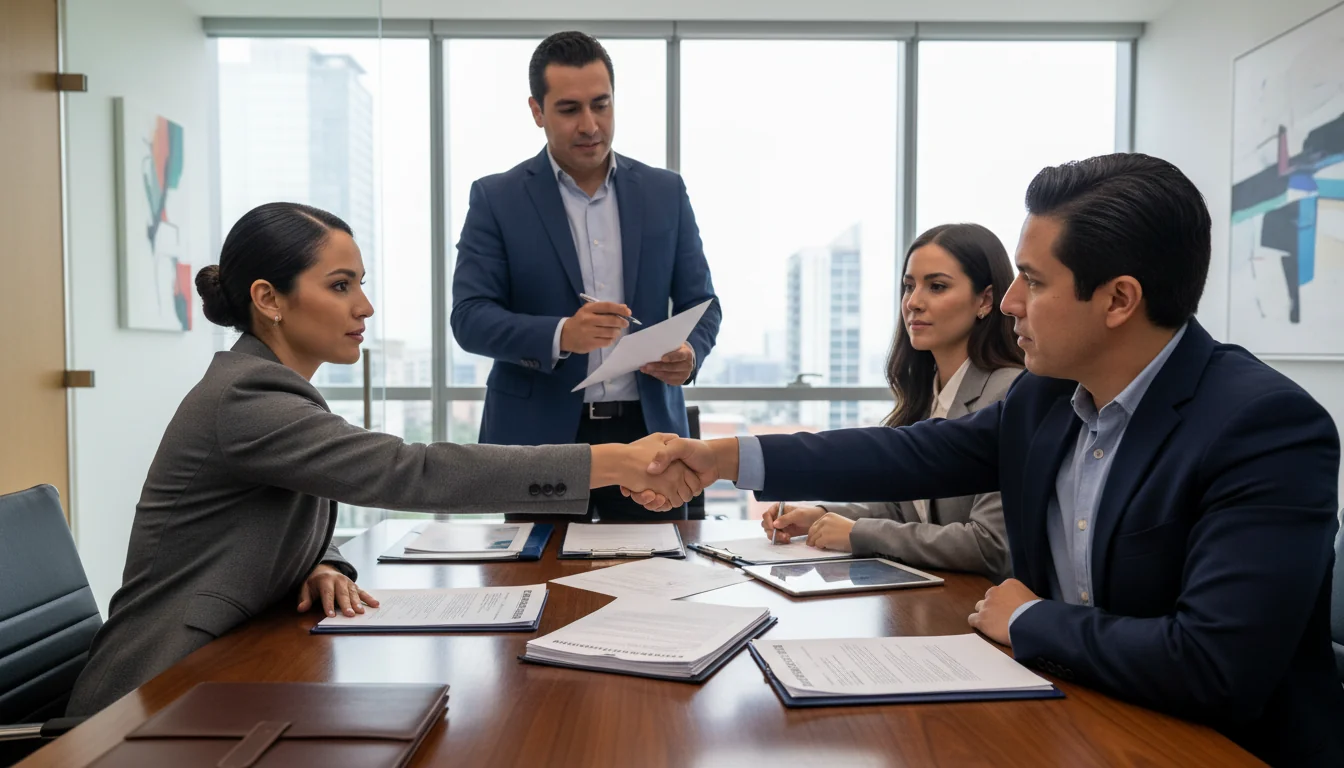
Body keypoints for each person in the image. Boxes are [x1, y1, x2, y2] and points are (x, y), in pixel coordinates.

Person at [637, 154, 1344, 766]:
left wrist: (1031, 620)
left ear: (1119, 300)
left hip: (1216, 748)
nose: (1007, 303)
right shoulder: (1046, 399)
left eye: (1032, 283)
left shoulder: (1263, 427)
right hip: (1076, 715)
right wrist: (724, 456)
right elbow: (907, 456)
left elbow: (1216, 667)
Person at [66, 203, 702, 717]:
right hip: (151, 696)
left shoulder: (269, 390)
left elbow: (263, 520)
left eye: (361, 285)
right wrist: (611, 462)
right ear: (269, 298)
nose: (364, 307)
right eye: (340, 286)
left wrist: (320, 561)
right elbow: (410, 471)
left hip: (221, 669)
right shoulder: (246, 399)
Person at [451, 31, 720, 522]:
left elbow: (702, 303)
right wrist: (560, 335)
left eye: (602, 105)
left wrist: (690, 354)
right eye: (570, 109)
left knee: (655, 584)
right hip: (539, 439)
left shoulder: (665, 192)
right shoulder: (496, 198)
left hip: (648, 435)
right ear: (537, 111)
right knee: (536, 588)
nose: (590, 125)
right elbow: (469, 318)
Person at [762, 223, 1022, 582]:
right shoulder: (927, 393)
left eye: (937, 286)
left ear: (985, 300)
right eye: (909, 286)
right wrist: (820, 515)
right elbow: (902, 510)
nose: (913, 302)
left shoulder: (1009, 395)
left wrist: (858, 534)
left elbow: (991, 544)